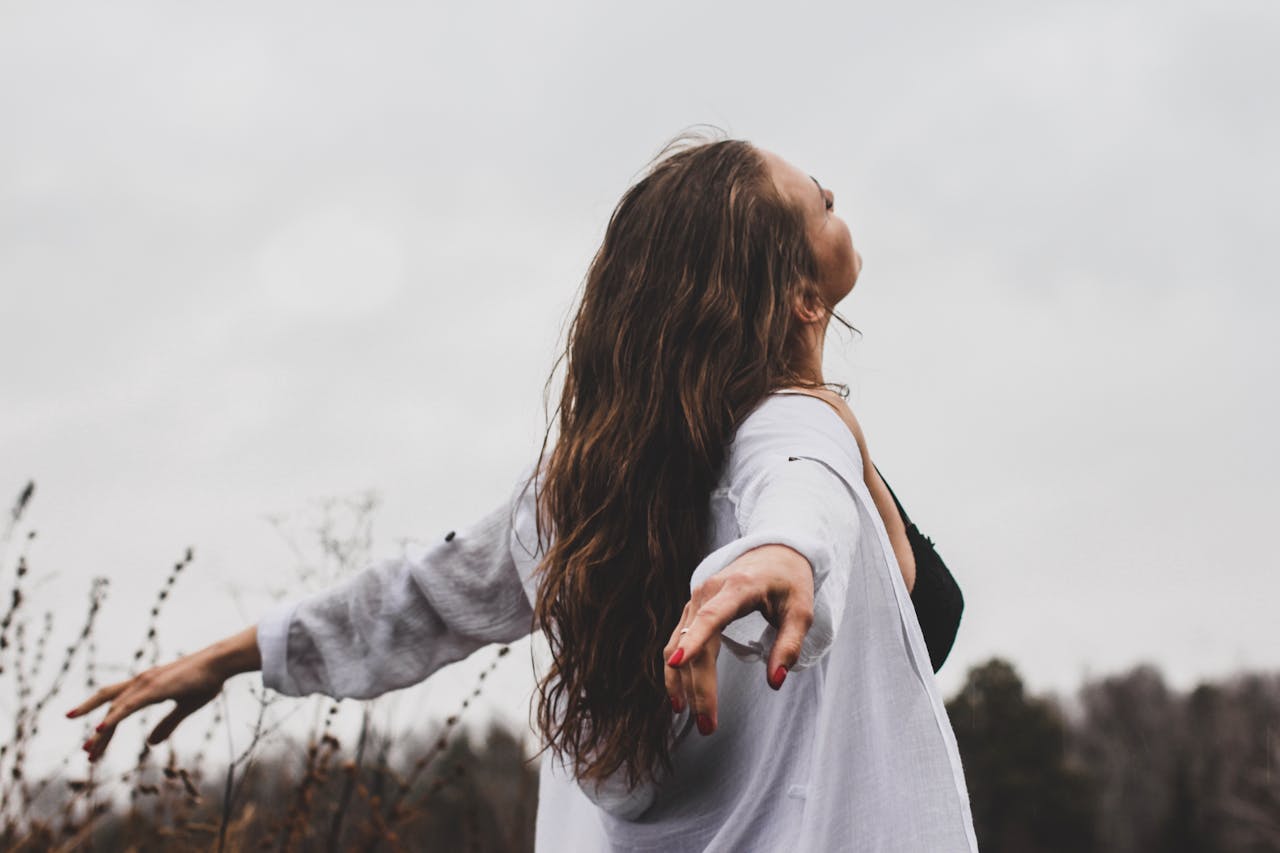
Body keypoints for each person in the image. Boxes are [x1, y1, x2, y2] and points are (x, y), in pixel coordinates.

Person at [67, 131, 979, 851]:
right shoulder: (792, 432)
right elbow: (796, 490)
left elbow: (414, 601)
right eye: (819, 198)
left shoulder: (579, 495)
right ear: (799, 296)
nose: (836, 197)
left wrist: (238, 652)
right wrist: (783, 551)